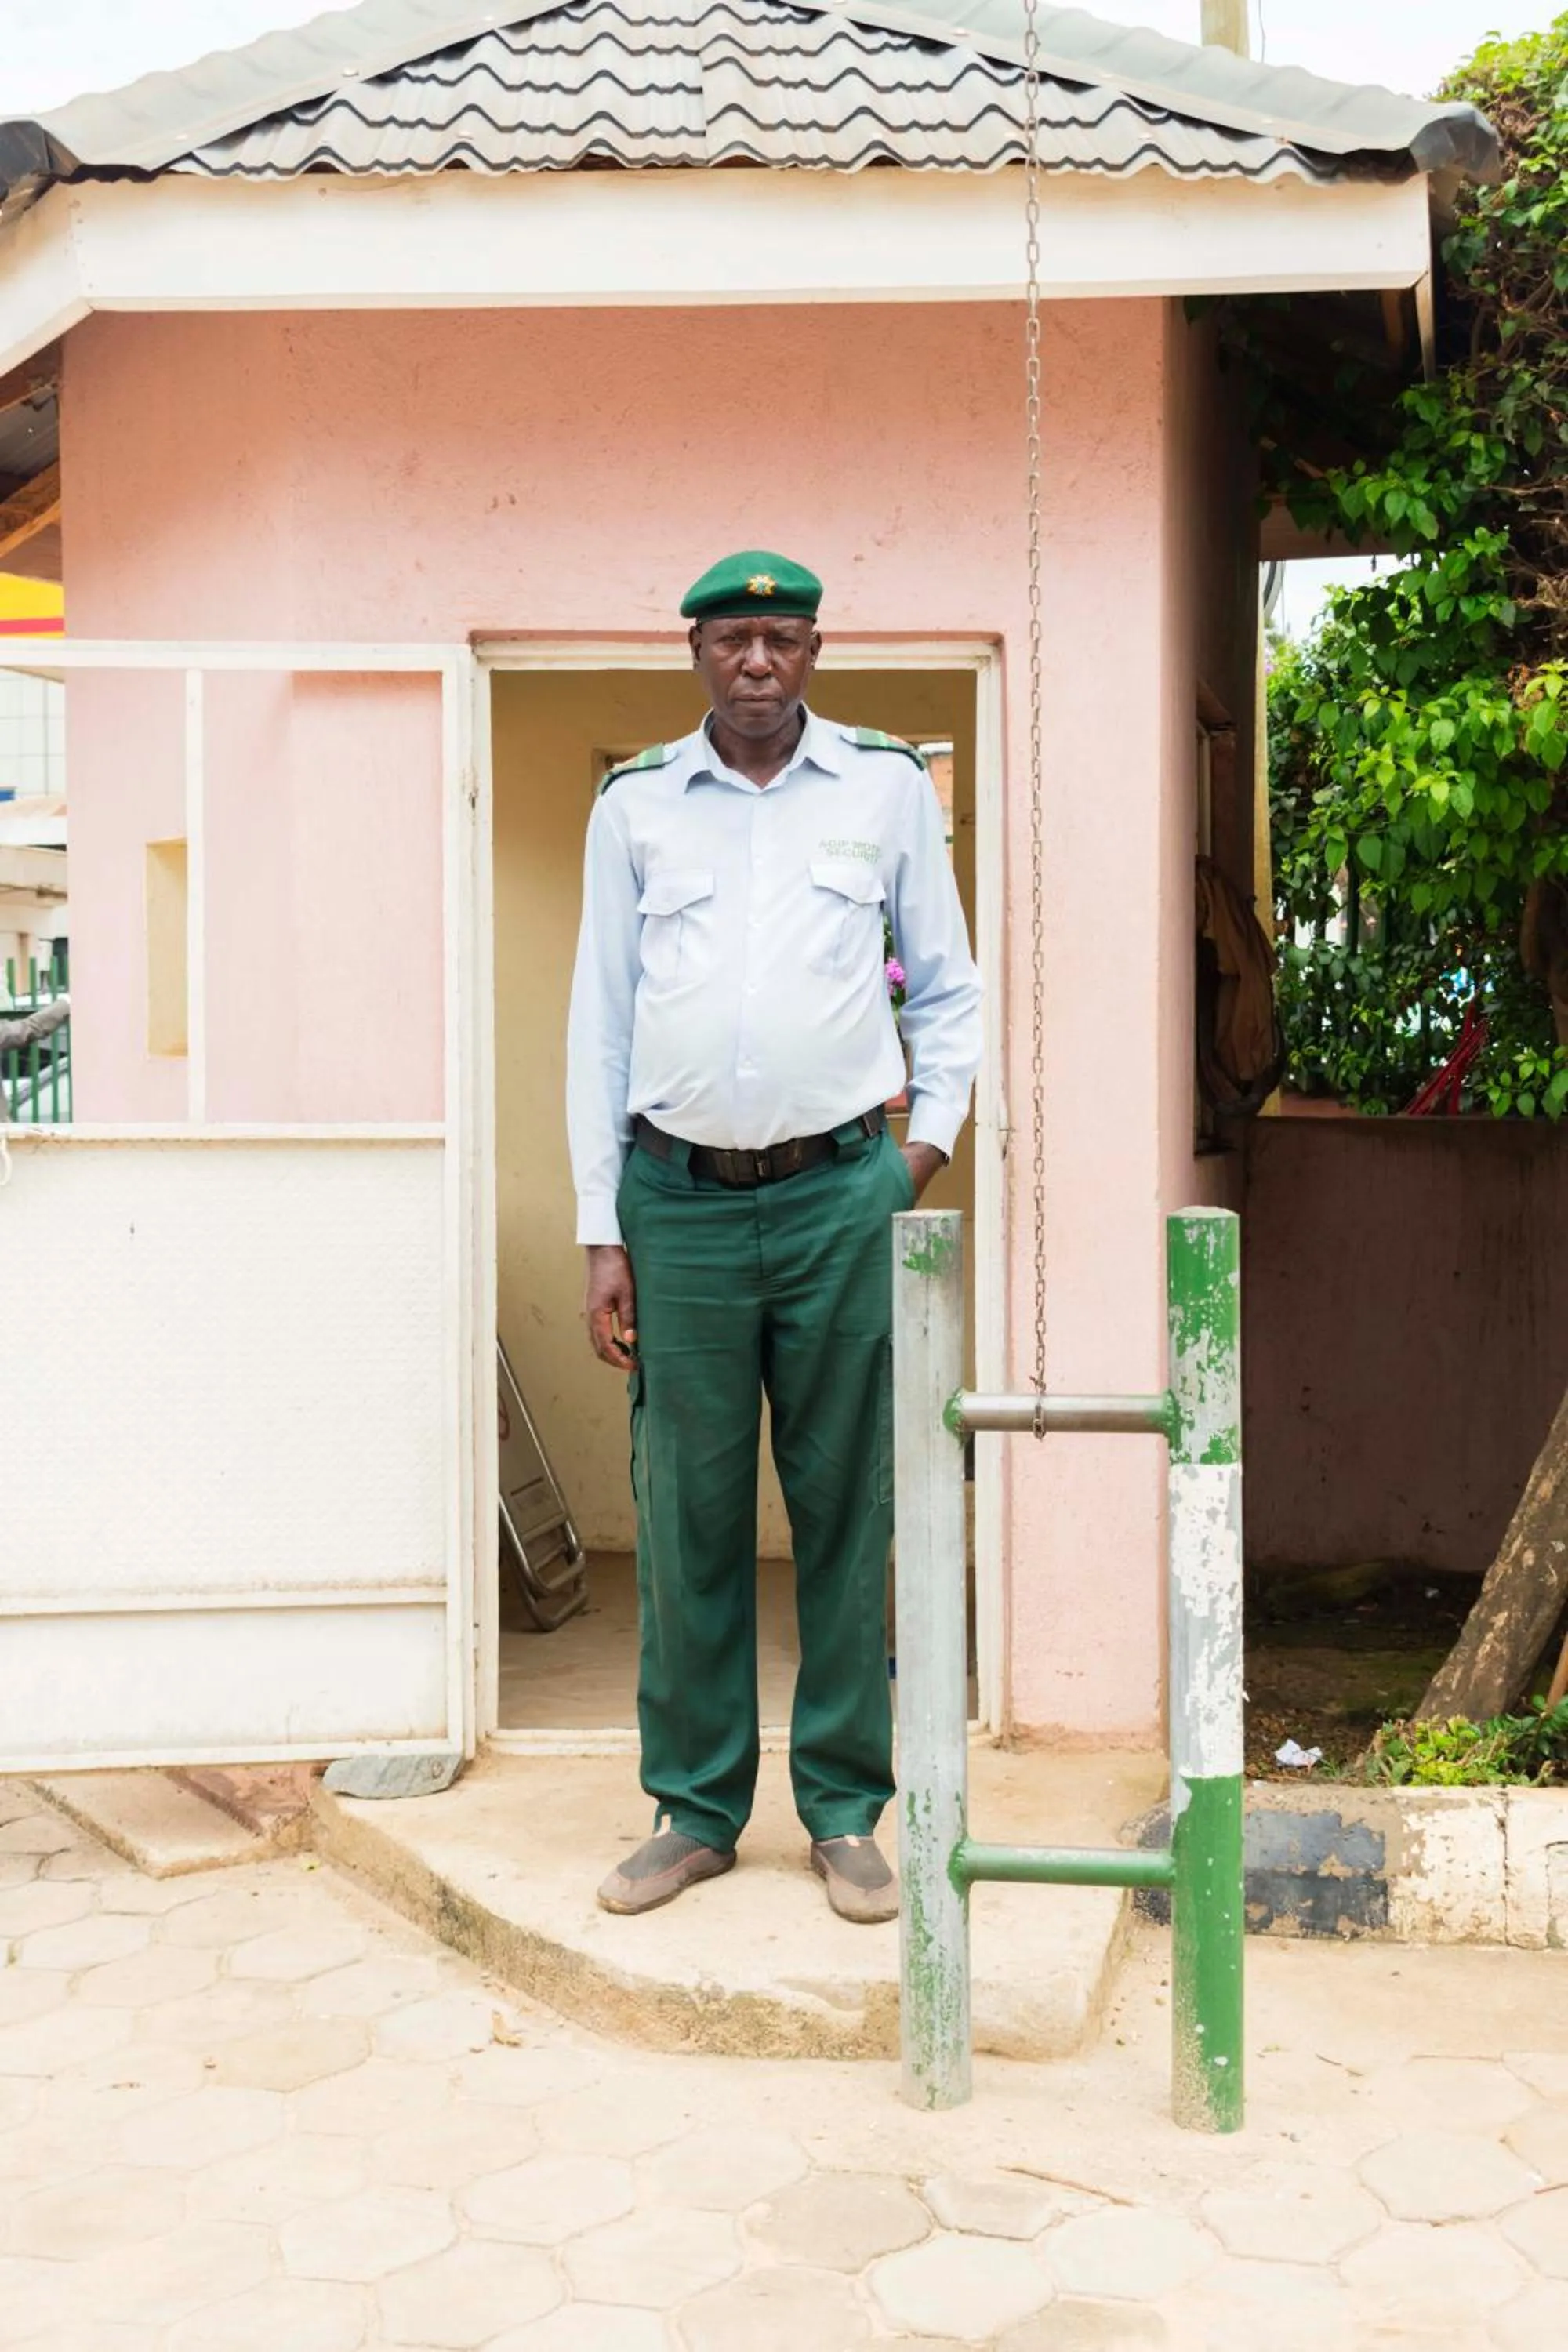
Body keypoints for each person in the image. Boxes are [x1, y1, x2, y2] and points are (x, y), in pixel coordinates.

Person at [567, 550, 982, 1922]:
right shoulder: (636, 806)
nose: (758, 660)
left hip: (836, 1198)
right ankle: (694, 1811)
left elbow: (948, 991)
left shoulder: (885, 788)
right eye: (734, 638)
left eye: (783, 638)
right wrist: (601, 1227)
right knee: (685, 1512)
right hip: (674, 1204)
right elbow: (600, 1026)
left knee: (845, 1504)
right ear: (696, 651)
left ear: (814, 650)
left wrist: (914, 1161)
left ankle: (846, 1809)